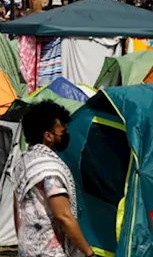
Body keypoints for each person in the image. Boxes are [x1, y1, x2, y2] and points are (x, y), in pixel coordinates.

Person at [13, 101, 94, 257]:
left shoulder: (23, 162)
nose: (66, 135)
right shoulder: (49, 169)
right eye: (62, 133)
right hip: (51, 251)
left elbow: (17, 209)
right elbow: (63, 216)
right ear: (48, 136)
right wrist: (88, 253)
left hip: (28, 248)